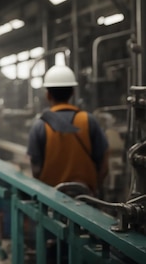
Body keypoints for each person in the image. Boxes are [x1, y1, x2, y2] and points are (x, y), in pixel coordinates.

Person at [27, 64, 109, 195]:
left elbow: (36, 169)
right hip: (86, 199)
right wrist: (94, 189)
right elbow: (104, 166)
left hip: (51, 201)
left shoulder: (40, 126)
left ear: (48, 95)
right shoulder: (89, 121)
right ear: (72, 93)